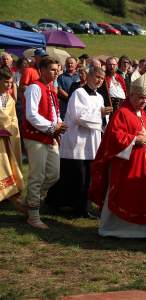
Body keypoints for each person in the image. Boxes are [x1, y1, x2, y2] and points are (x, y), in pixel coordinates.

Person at [89, 72, 146, 238]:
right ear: (131, 95)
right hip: (126, 166)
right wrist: (133, 140)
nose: (143, 102)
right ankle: (117, 227)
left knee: (144, 194)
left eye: (145, 98)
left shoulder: (144, 113)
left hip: (143, 165)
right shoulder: (122, 113)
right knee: (127, 194)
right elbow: (113, 136)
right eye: (140, 98)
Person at [45, 67, 112, 216]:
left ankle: (82, 207)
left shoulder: (100, 97)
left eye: (102, 78)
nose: (100, 80)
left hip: (92, 141)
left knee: (87, 177)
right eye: (97, 76)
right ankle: (56, 202)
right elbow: (79, 117)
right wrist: (99, 113)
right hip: (77, 141)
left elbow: (102, 121)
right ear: (88, 77)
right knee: (74, 177)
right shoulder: (78, 94)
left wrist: (106, 122)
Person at [22, 57, 67, 229]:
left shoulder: (50, 89)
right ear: (42, 69)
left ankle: (30, 202)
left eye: (57, 70)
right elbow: (31, 115)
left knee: (53, 174)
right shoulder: (35, 87)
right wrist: (52, 127)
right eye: (52, 69)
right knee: (37, 175)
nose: (56, 72)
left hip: (50, 136)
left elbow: (54, 113)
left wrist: (60, 123)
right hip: (36, 137)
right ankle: (33, 215)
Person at [0, 69, 25, 213]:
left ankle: (8, 193)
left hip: (6, 138)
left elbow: (13, 119)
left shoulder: (9, 99)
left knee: (7, 164)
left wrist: (9, 126)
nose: (9, 85)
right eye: (5, 81)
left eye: (10, 82)